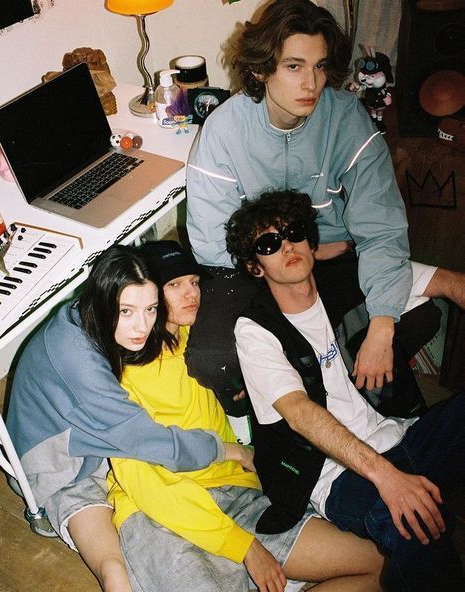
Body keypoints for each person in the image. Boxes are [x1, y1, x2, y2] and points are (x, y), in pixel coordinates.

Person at [185, 0, 464, 416]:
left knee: (412, 322)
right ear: (261, 69)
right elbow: (211, 244)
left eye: (319, 66)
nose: (311, 83)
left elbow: (382, 225)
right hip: (254, 266)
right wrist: (302, 253)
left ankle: (354, 391)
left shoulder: (346, 117)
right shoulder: (224, 129)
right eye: (294, 66)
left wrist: (383, 325)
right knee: (213, 360)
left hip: (332, 258)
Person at [107, 240, 384, 592]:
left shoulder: (207, 338)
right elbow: (148, 486)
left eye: (194, 282)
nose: (191, 294)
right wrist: (244, 547)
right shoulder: (118, 378)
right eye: (174, 285)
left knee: (379, 565)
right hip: (159, 513)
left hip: (237, 491)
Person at [226, 189, 465, 592]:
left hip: (402, 432)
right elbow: (299, 413)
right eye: (269, 242)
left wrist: (383, 326)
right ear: (254, 265)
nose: (287, 245)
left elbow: (449, 281)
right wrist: (388, 477)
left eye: (294, 231)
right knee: (412, 525)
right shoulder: (255, 330)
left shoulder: (351, 276)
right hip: (336, 474)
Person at [6, 245, 251, 592]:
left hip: (90, 435)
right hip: (62, 464)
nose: (142, 326)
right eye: (127, 312)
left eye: (150, 309)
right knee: (116, 573)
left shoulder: (89, 313)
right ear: (106, 302)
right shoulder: (80, 363)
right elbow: (151, 441)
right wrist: (230, 451)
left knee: (159, 506)